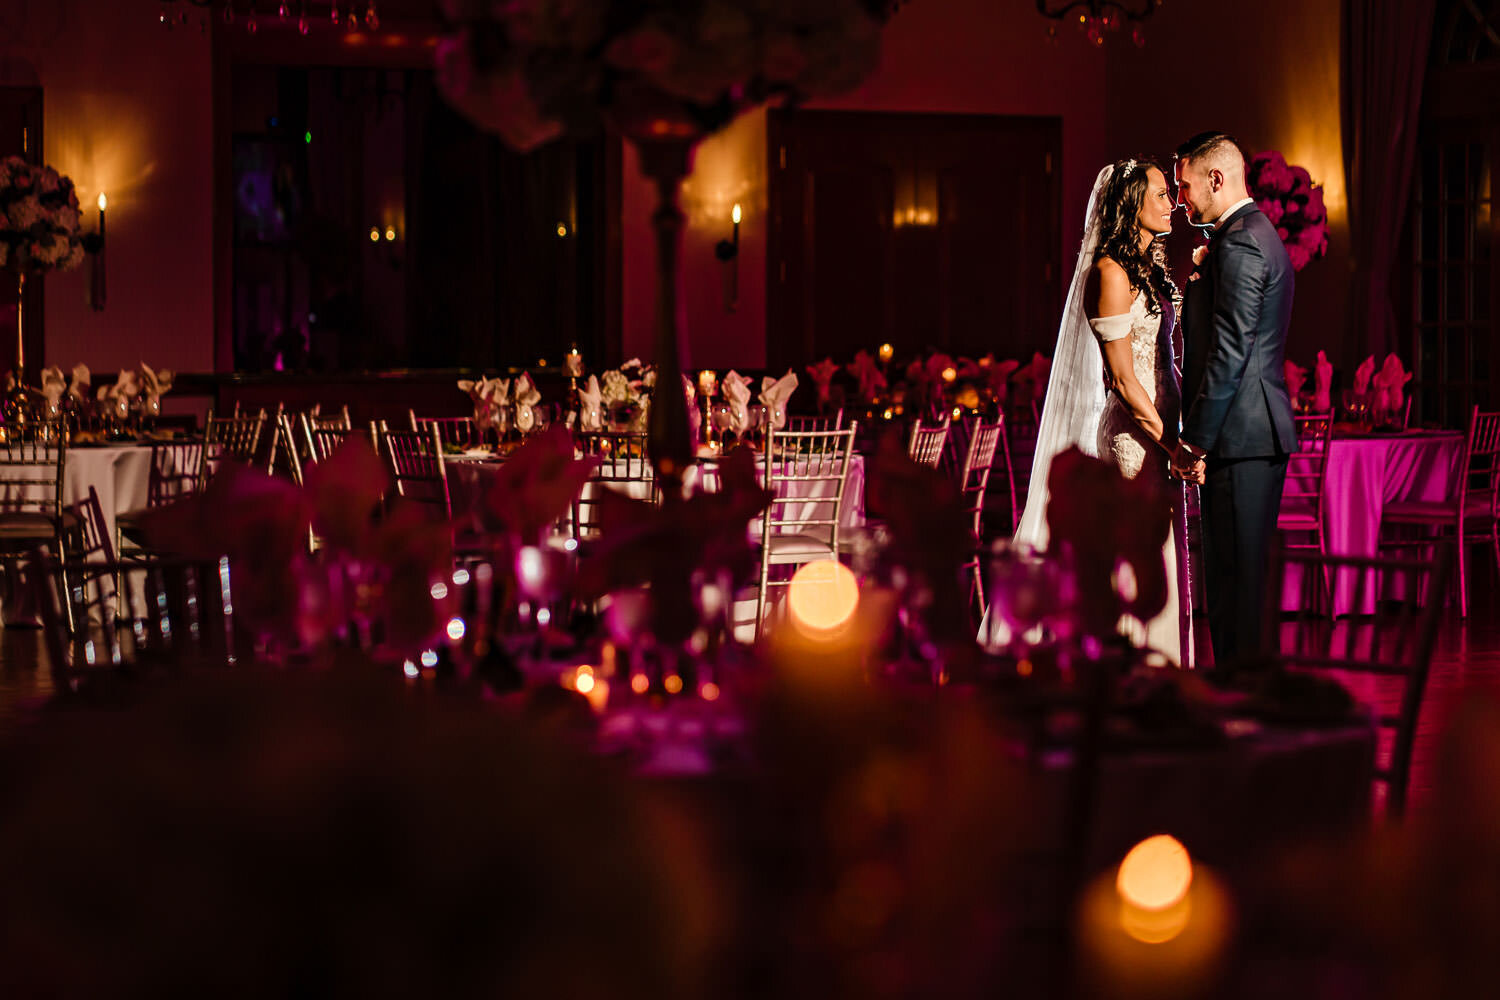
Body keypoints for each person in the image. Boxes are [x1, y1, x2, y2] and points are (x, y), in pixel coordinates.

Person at [1009, 157, 1194, 666]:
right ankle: (1134, 669)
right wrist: (1171, 443)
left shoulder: (1149, 269)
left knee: (1159, 548)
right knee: (1138, 551)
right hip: (1137, 436)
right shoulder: (1109, 273)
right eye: (1160, 194)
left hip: (1161, 426)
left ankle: (1164, 667)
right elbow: (1123, 378)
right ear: (1132, 203)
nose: (1171, 203)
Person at [1170, 132, 1298, 669]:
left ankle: (1245, 720)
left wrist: (1194, 441)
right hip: (1247, 435)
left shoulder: (1242, 240)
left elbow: (1229, 350)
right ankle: (1244, 714)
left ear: (1216, 179)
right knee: (1235, 590)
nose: (1180, 201)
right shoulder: (1248, 233)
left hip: (1240, 437)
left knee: (1236, 593)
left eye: (1184, 186)